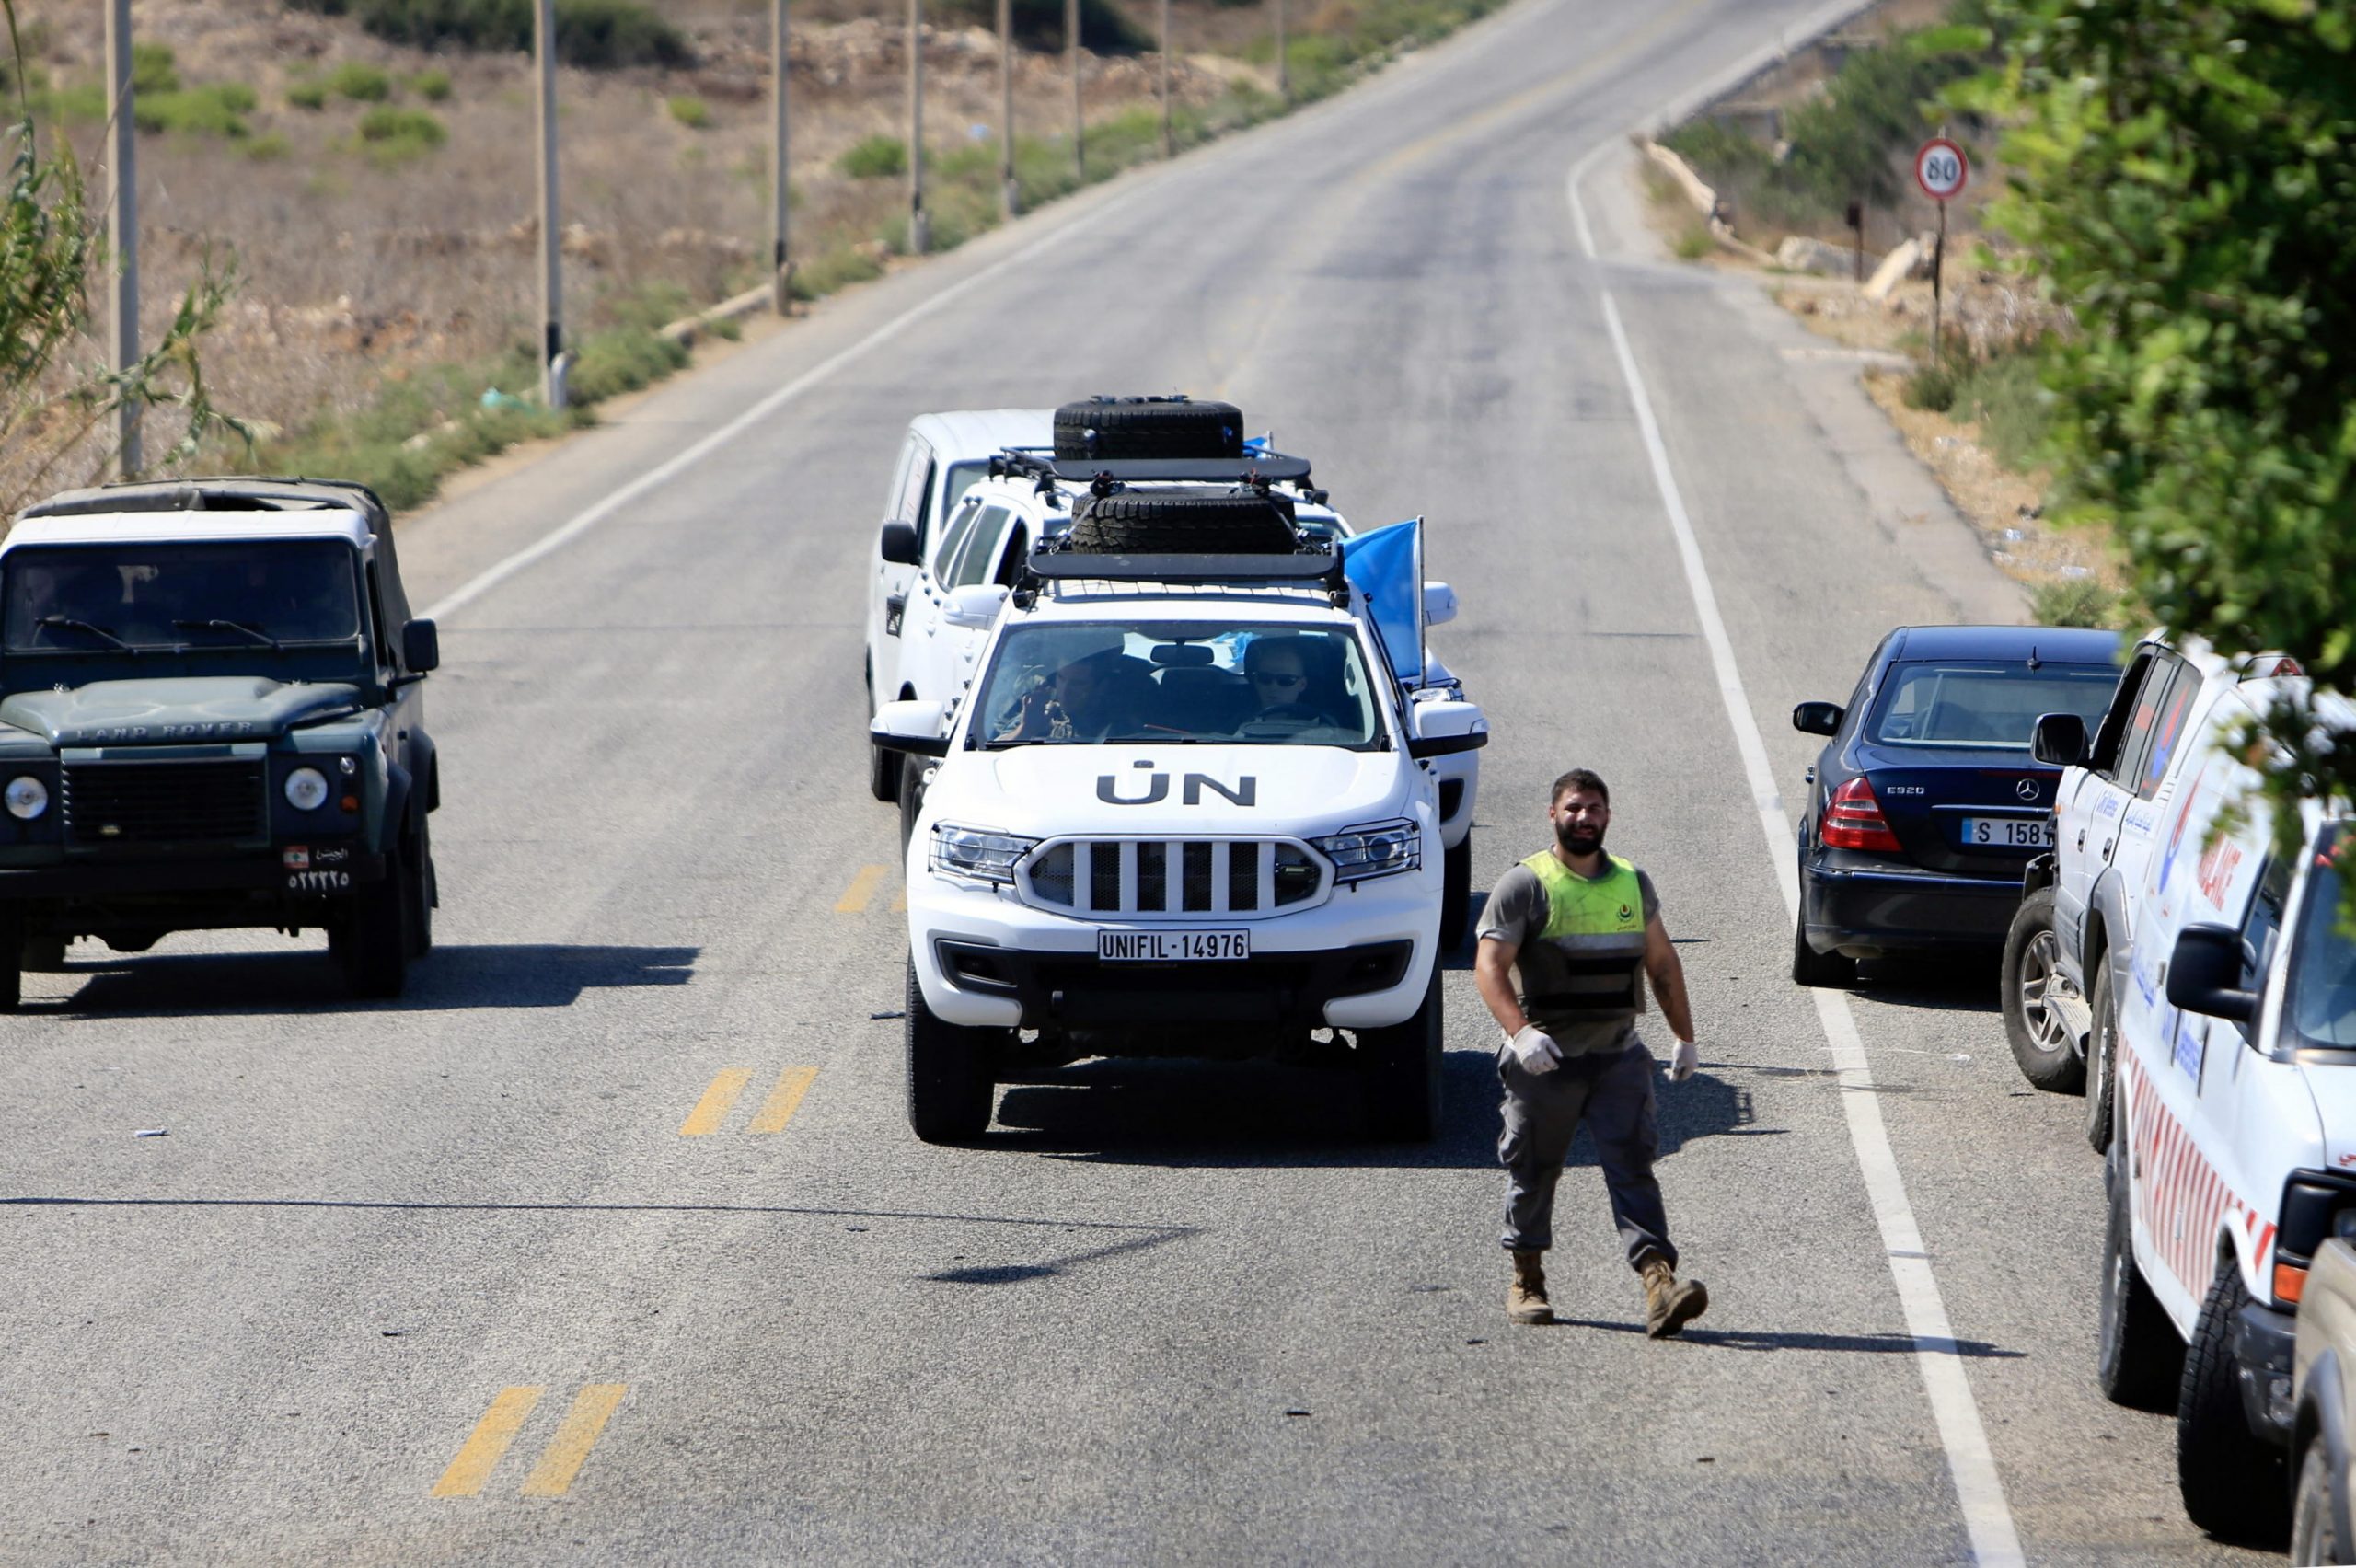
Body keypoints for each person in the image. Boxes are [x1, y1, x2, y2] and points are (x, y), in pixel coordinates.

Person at [1473, 767, 1709, 1337]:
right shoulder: (1525, 884)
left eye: (1595, 808)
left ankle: (1659, 1283)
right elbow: (1490, 965)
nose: (1585, 818)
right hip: (1546, 1061)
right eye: (1574, 808)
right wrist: (1520, 1032)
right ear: (1553, 816)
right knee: (1534, 1171)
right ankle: (1527, 1276)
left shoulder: (1632, 881)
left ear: (1608, 815)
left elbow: (1661, 964)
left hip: (1617, 1057)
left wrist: (1685, 1036)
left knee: (1633, 1169)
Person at [999, 647, 1138, 741]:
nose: (1065, 691)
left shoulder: (1120, 724)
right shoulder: (1041, 713)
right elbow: (993, 751)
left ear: (1100, 687)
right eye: (1061, 678)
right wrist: (1026, 730)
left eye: (1078, 684)